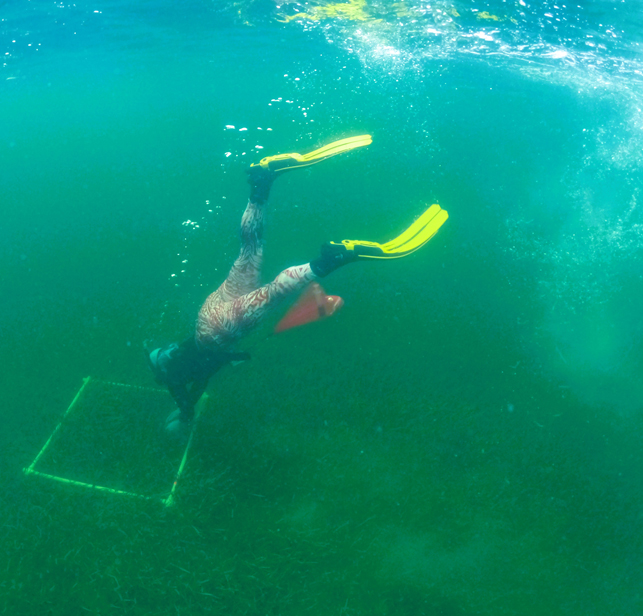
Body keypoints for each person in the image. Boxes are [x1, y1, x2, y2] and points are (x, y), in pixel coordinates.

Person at [147, 135, 447, 435]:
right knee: (250, 251)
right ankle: (261, 182)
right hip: (208, 313)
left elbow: (188, 399)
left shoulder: (173, 378)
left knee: (274, 294)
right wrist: (232, 360)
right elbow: (202, 378)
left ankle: (329, 260)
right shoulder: (177, 358)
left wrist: (184, 416)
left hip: (217, 332)